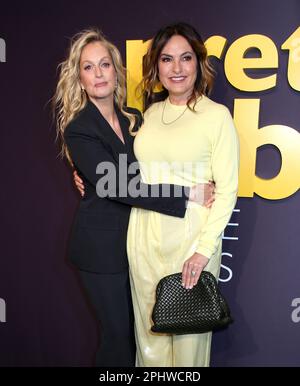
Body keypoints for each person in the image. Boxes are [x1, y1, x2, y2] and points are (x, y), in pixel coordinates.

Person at [54, 28, 214, 367]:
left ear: (116, 71)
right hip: (101, 251)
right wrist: (188, 194)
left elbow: (152, 169)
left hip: (140, 244)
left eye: (104, 65)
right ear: (79, 79)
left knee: (144, 338)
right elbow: (117, 186)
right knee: (119, 341)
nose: (98, 74)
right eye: (88, 67)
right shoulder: (79, 128)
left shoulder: (135, 118)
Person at [125, 22, 239, 367]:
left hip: (192, 240)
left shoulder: (217, 116)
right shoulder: (150, 115)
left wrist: (203, 252)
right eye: (167, 59)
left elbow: (228, 190)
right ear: (156, 67)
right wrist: (84, 174)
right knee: (149, 343)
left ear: (199, 64)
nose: (176, 69)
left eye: (185, 58)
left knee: (189, 349)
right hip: (143, 237)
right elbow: (131, 176)